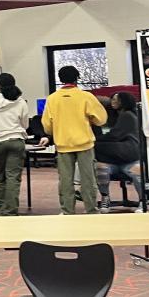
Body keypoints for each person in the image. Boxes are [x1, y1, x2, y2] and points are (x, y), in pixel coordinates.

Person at [41, 64, 108, 215]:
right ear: (77, 78)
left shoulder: (52, 99)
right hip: (85, 144)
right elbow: (101, 119)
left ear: (60, 79)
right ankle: (91, 209)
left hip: (63, 144)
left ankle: (67, 210)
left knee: (65, 180)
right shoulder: (86, 97)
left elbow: (47, 126)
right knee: (88, 179)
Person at [0, 73, 30, 216]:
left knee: (0, 175)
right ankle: (11, 210)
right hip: (16, 141)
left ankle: (0, 208)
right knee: (13, 177)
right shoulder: (20, 102)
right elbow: (25, 125)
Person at [94, 91, 144, 212]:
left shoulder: (128, 116)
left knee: (138, 172)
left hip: (128, 158)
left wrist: (96, 141)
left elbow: (115, 135)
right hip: (112, 159)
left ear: (124, 101)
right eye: (112, 99)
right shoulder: (106, 117)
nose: (113, 102)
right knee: (100, 169)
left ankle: (143, 201)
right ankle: (105, 198)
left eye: (117, 99)